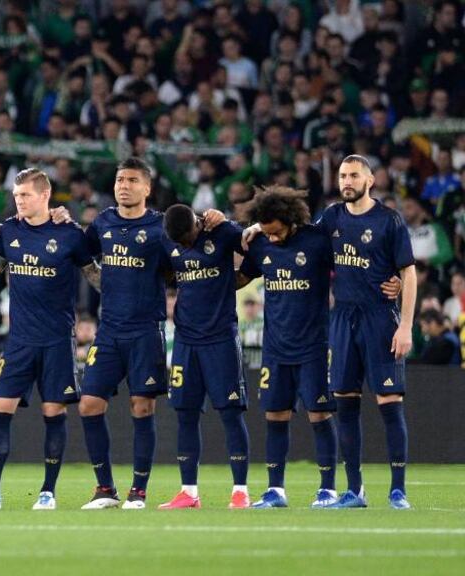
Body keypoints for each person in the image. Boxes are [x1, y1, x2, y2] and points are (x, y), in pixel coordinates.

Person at [244, 154, 416, 509]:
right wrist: (260, 226)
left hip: (380, 317)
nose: (347, 181)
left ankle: (398, 491)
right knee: (346, 403)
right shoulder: (331, 218)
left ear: (370, 180)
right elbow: (296, 231)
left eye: (354, 175)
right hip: (342, 320)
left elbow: (408, 272)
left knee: (389, 402)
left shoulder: (389, 220)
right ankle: (354, 490)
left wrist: (405, 324)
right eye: (342, 176)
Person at [78, 158, 224, 510]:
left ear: (147, 188)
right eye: (119, 180)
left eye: (132, 180)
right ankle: (105, 489)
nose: (123, 186)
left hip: (146, 330)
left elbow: (187, 258)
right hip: (109, 330)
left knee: (142, 407)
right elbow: (81, 255)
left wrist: (217, 220)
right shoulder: (102, 223)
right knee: (88, 404)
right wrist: (101, 282)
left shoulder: (161, 227)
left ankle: (138, 492)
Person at [0, 168, 100, 511]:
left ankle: (47, 492)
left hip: (57, 340)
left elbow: (93, 274)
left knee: (53, 412)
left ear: (45, 195)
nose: (19, 201)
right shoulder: (10, 230)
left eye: (25, 195)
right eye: (17, 195)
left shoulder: (69, 234)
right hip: (20, 340)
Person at [237, 187, 340, 508]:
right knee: (275, 414)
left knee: (319, 414)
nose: (273, 238)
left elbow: (349, 267)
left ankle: (328, 490)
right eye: (267, 231)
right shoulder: (261, 243)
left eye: (277, 232)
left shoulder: (317, 241)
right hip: (275, 348)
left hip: (314, 346)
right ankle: (275, 490)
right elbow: (241, 278)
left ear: (291, 219)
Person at [160, 203, 252, 509]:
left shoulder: (221, 232)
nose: (184, 246)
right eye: (179, 243)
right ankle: (189, 492)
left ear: (196, 225)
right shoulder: (169, 242)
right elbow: (164, 271)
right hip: (186, 340)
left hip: (221, 338)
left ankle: (240, 490)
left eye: (187, 239)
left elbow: (253, 246)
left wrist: (230, 222)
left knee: (230, 412)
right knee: (185, 414)